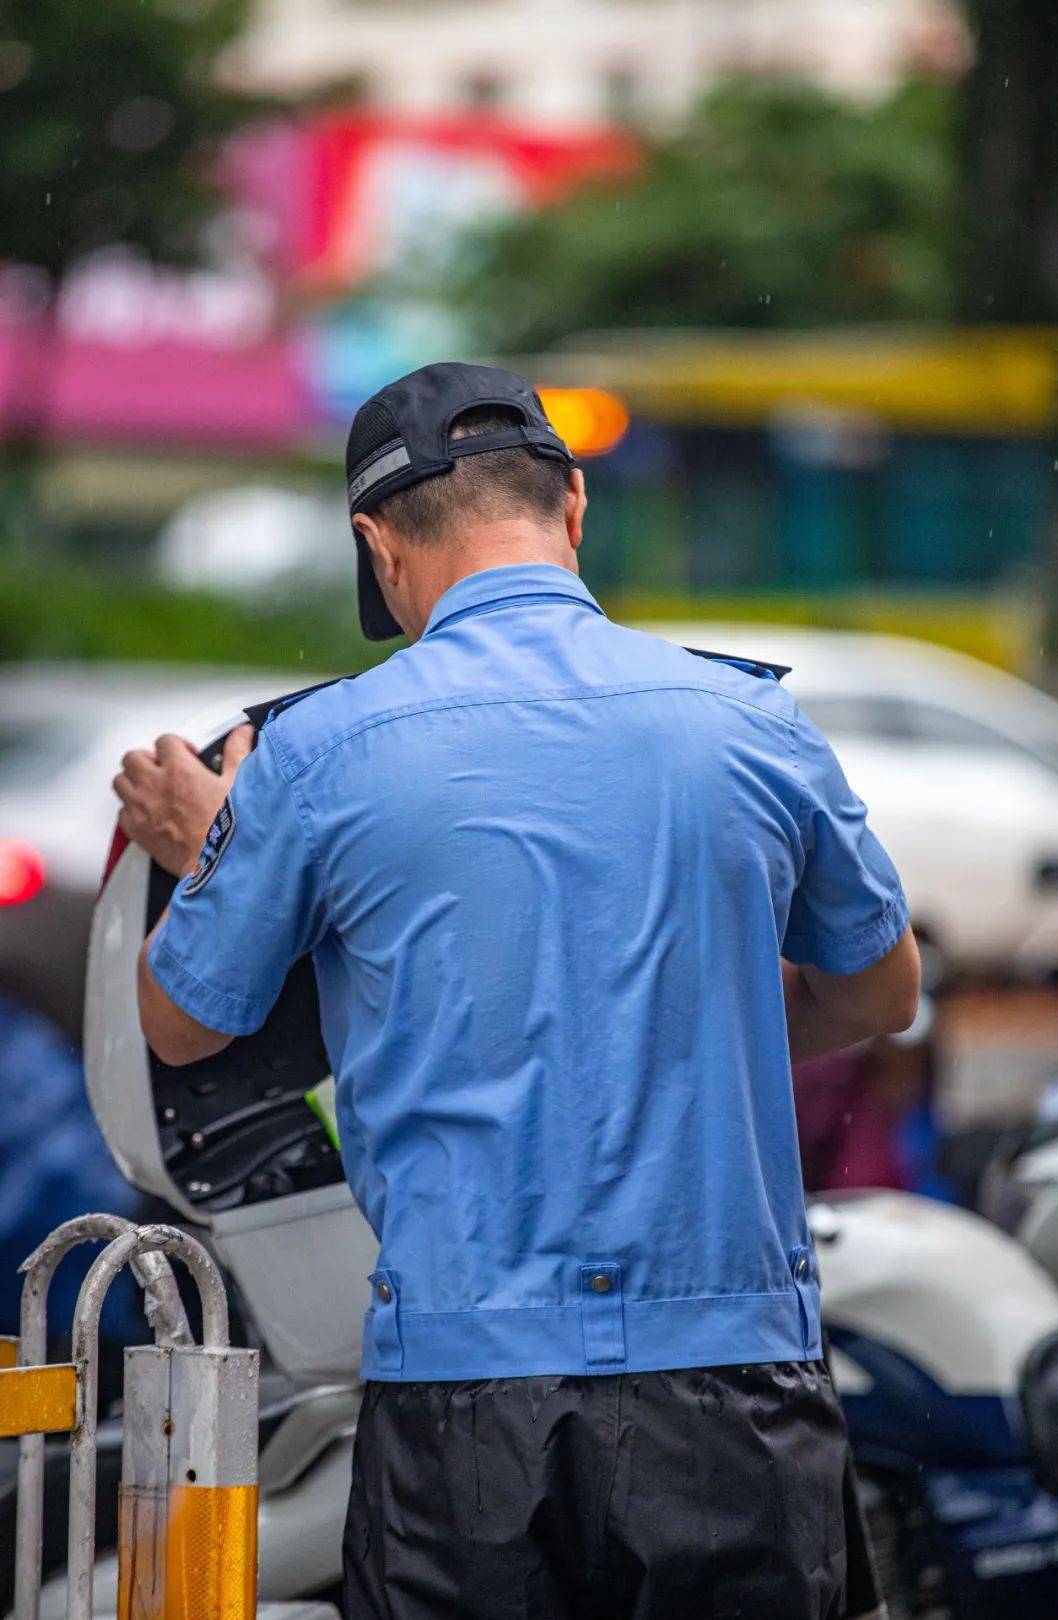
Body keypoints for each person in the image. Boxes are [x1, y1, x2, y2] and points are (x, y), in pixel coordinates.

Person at [115, 361, 919, 1620]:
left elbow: (182, 1023)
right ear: (576, 508)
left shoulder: (319, 755)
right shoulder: (751, 719)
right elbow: (879, 996)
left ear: (377, 547)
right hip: (739, 1378)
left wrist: (210, 844)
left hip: (464, 1395)